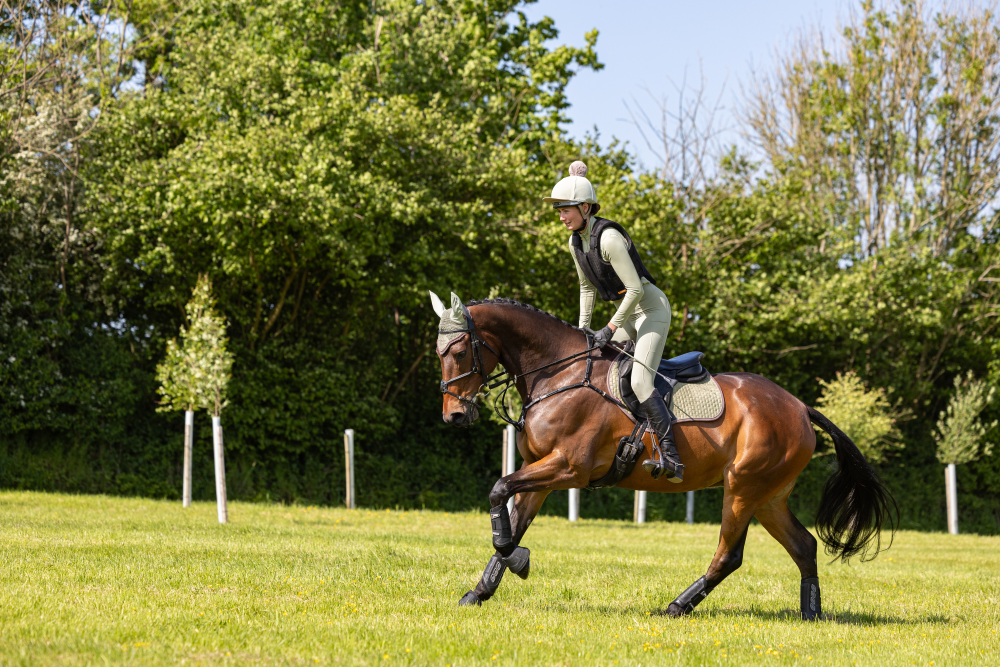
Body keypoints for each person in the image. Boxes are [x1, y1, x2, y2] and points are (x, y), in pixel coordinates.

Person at [542, 161, 684, 482]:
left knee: (638, 382)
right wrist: (582, 330)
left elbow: (634, 289)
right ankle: (630, 441)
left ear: (585, 207)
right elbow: (586, 287)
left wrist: (609, 328)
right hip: (626, 313)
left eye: (566, 210)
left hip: (650, 310)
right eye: (559, 211)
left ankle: (672, 457)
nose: (561, 217)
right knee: (601, 372)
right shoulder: (576, 242)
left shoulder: (608, 239)